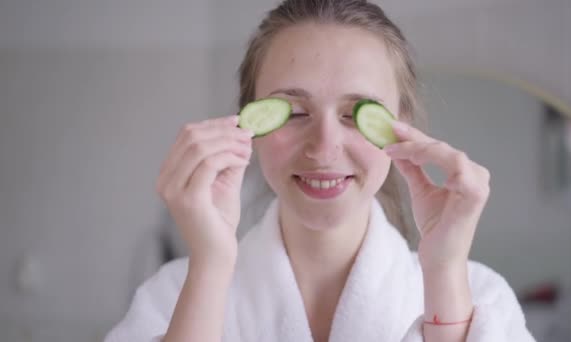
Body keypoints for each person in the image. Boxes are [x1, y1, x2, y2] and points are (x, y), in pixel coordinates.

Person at [106, 0, 536, 341]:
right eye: (292, 111)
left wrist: (443, 271)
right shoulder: (173, 294)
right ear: (248, 123)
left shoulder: (479, 298)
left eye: (357, 113)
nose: (324, 147)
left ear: (402, 126)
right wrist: (211, 266)